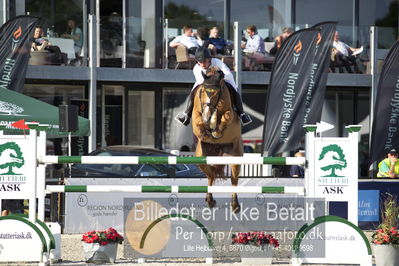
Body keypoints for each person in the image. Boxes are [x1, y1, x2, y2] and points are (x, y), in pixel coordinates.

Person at [175, 47, 252, 126]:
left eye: (204, 61)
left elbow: (229, 74)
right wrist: (215, 77)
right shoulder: (196, 68)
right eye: (200, 62)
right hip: (207, 83)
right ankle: (187, 115)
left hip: (224, 79)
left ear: (209, 59)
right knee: (194, 91)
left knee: (234, 89)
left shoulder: (217, 62)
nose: (202, 64)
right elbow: (203, 81)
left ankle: (242, 114)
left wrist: (222, 76)